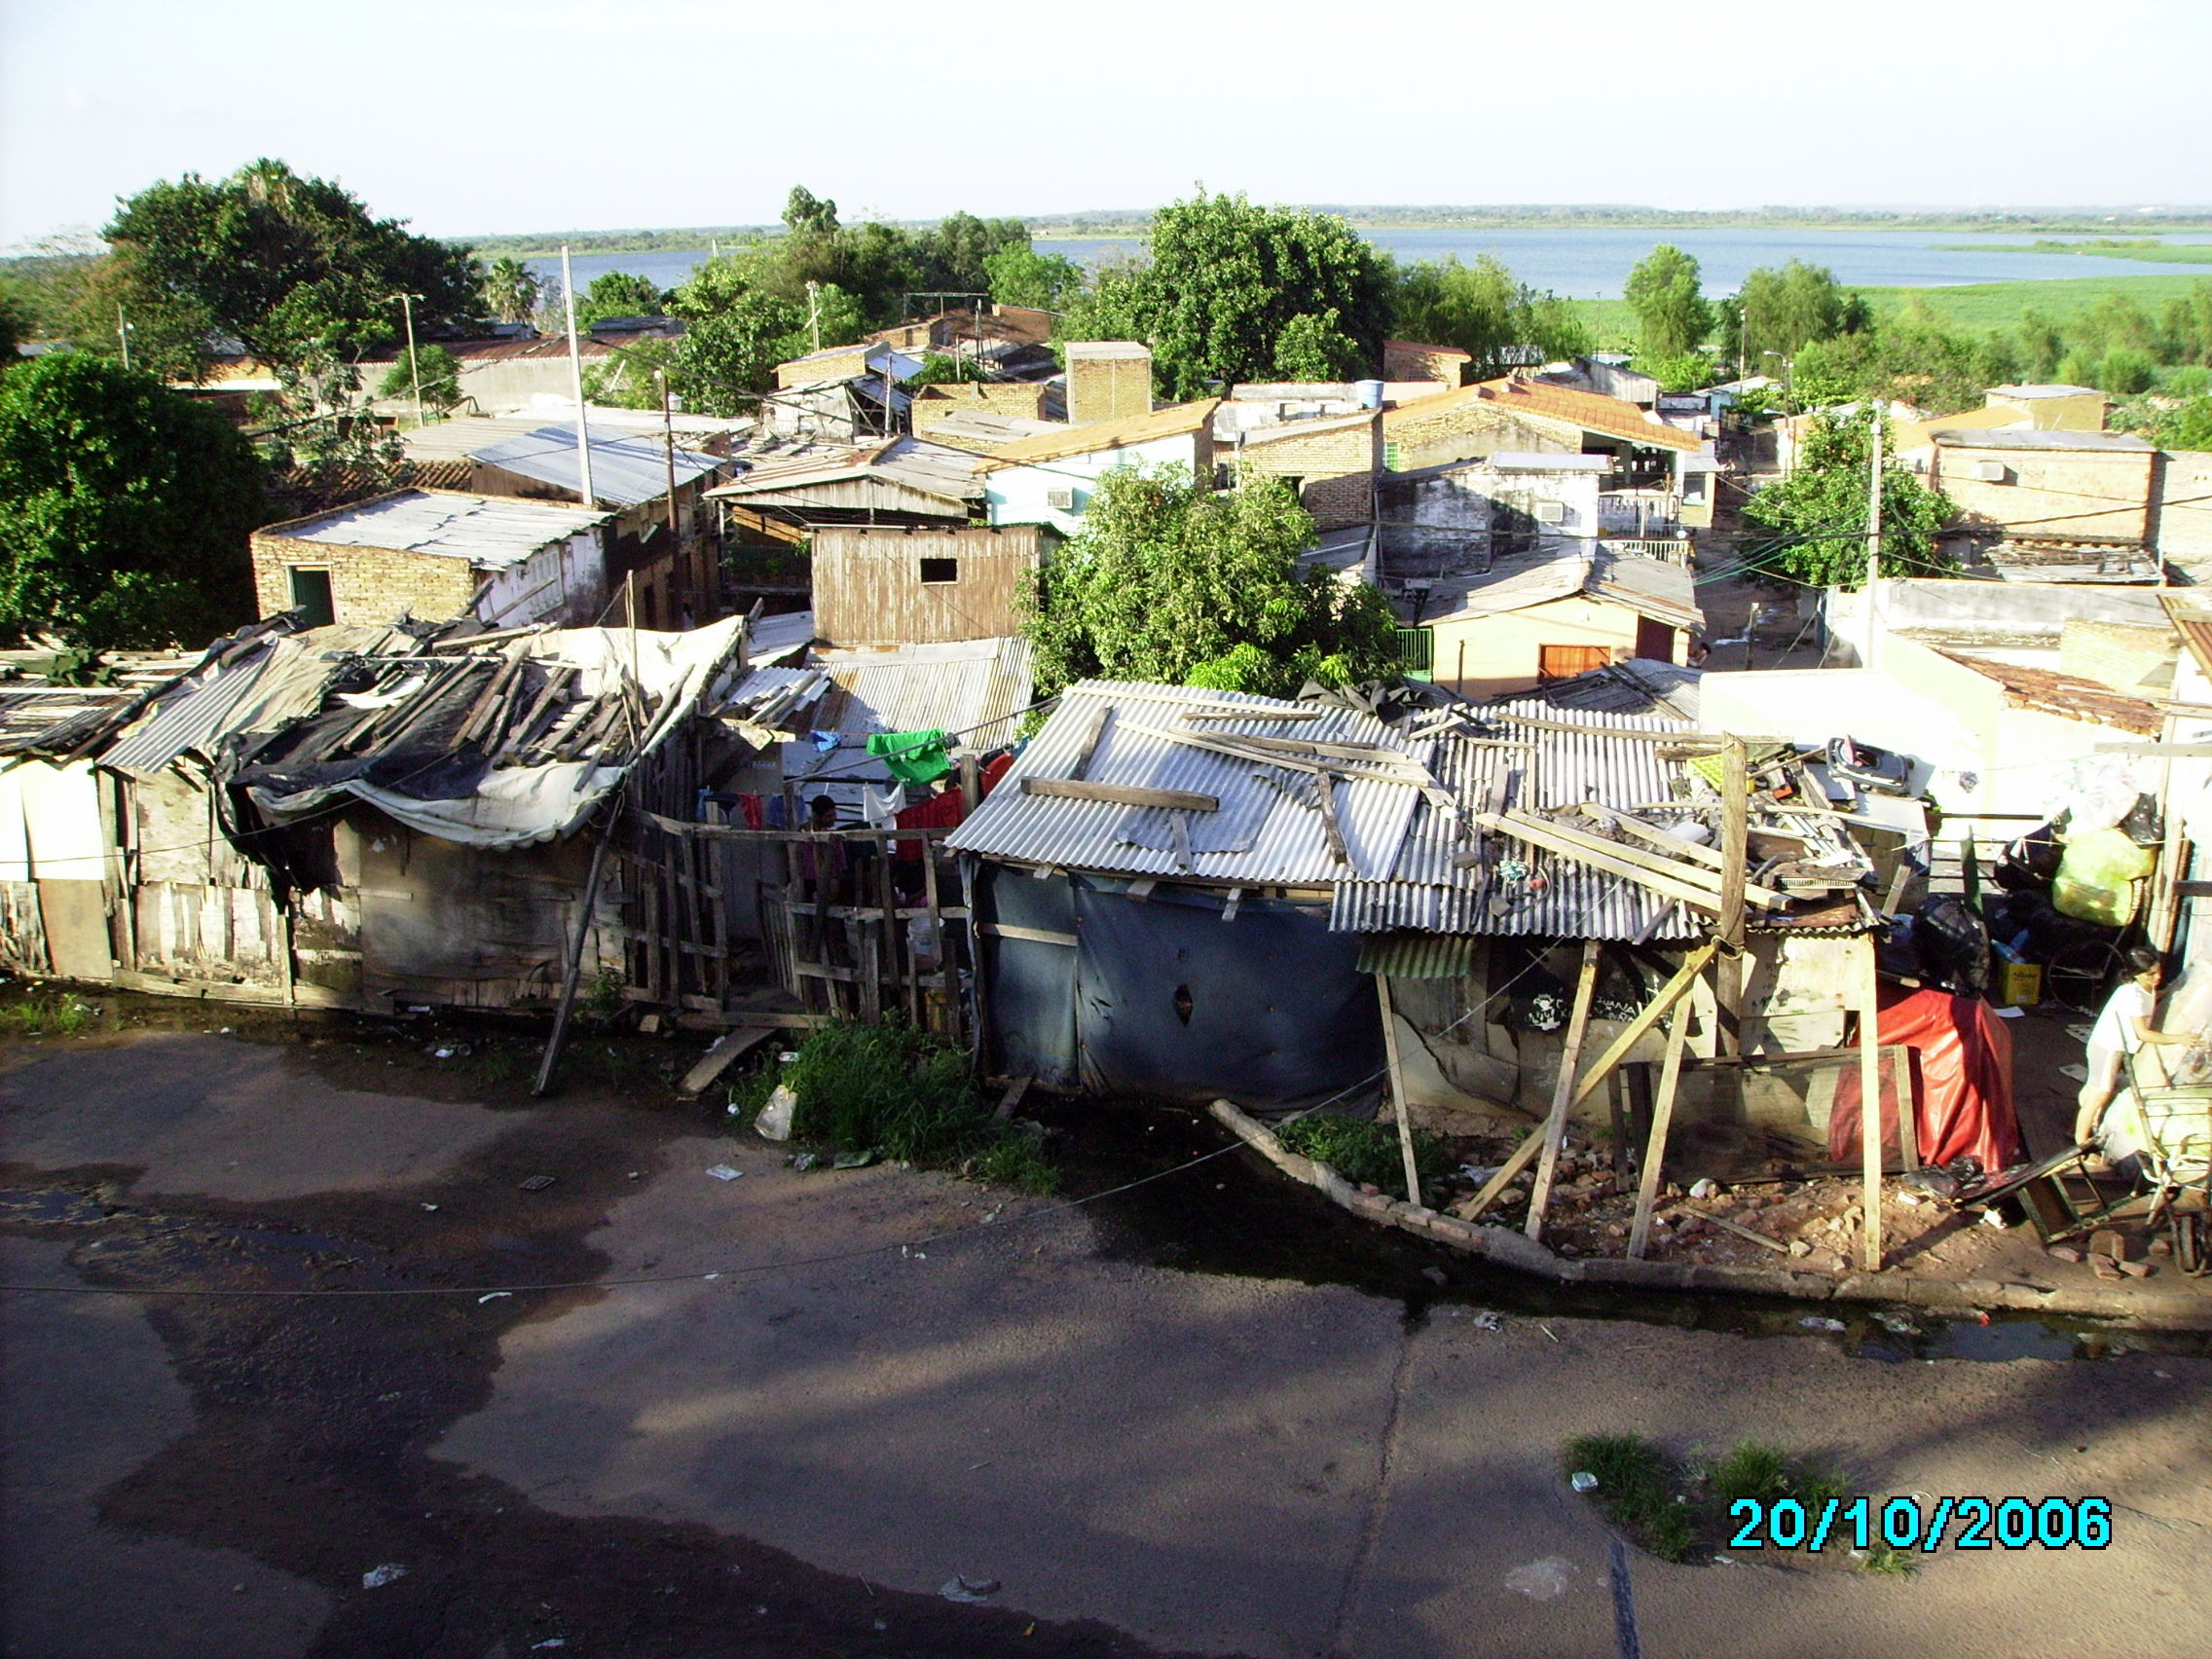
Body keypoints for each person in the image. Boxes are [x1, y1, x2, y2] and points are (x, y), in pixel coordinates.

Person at [2075, 947, 2194, 1149]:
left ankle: (2076, 1127)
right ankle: (2081, 1143)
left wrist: (2172, 989)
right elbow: (2143, 1034)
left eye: (2159, 972)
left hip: (2107, 1045)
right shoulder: (2133, 996)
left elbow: (2153, 997)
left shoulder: (2144, 987)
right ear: (2136, 974)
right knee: (2100, 1094)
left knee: (2093, 1089)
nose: (2157, 977)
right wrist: (2179, 1038)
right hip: (2107, 1047)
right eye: (2151, 974)